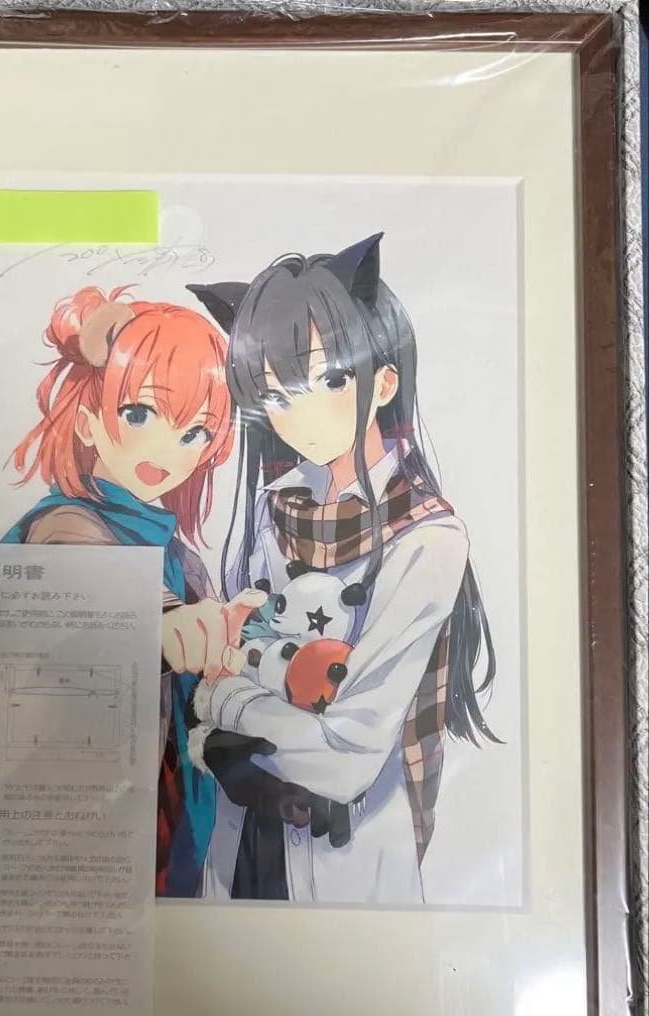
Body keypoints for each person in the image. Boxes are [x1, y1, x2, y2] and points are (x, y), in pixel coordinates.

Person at [187, 233, 498, 904]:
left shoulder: (426, 538)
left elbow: (344, 756)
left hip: (347, 856)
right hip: (242, 842)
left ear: (382, 381)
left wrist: (223, 708)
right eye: (274, 396)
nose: (296, 416)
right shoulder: (272, 507)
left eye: (325, 380)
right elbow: (232, 652)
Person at [1, 285, 264, 897]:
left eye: (193, 432)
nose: (164, 449)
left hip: (167, 822)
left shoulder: (182, 558)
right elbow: (90, 584)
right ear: (88, 421)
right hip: (74, 825)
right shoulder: (63, 525)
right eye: (140, 414)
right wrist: (167, 622)